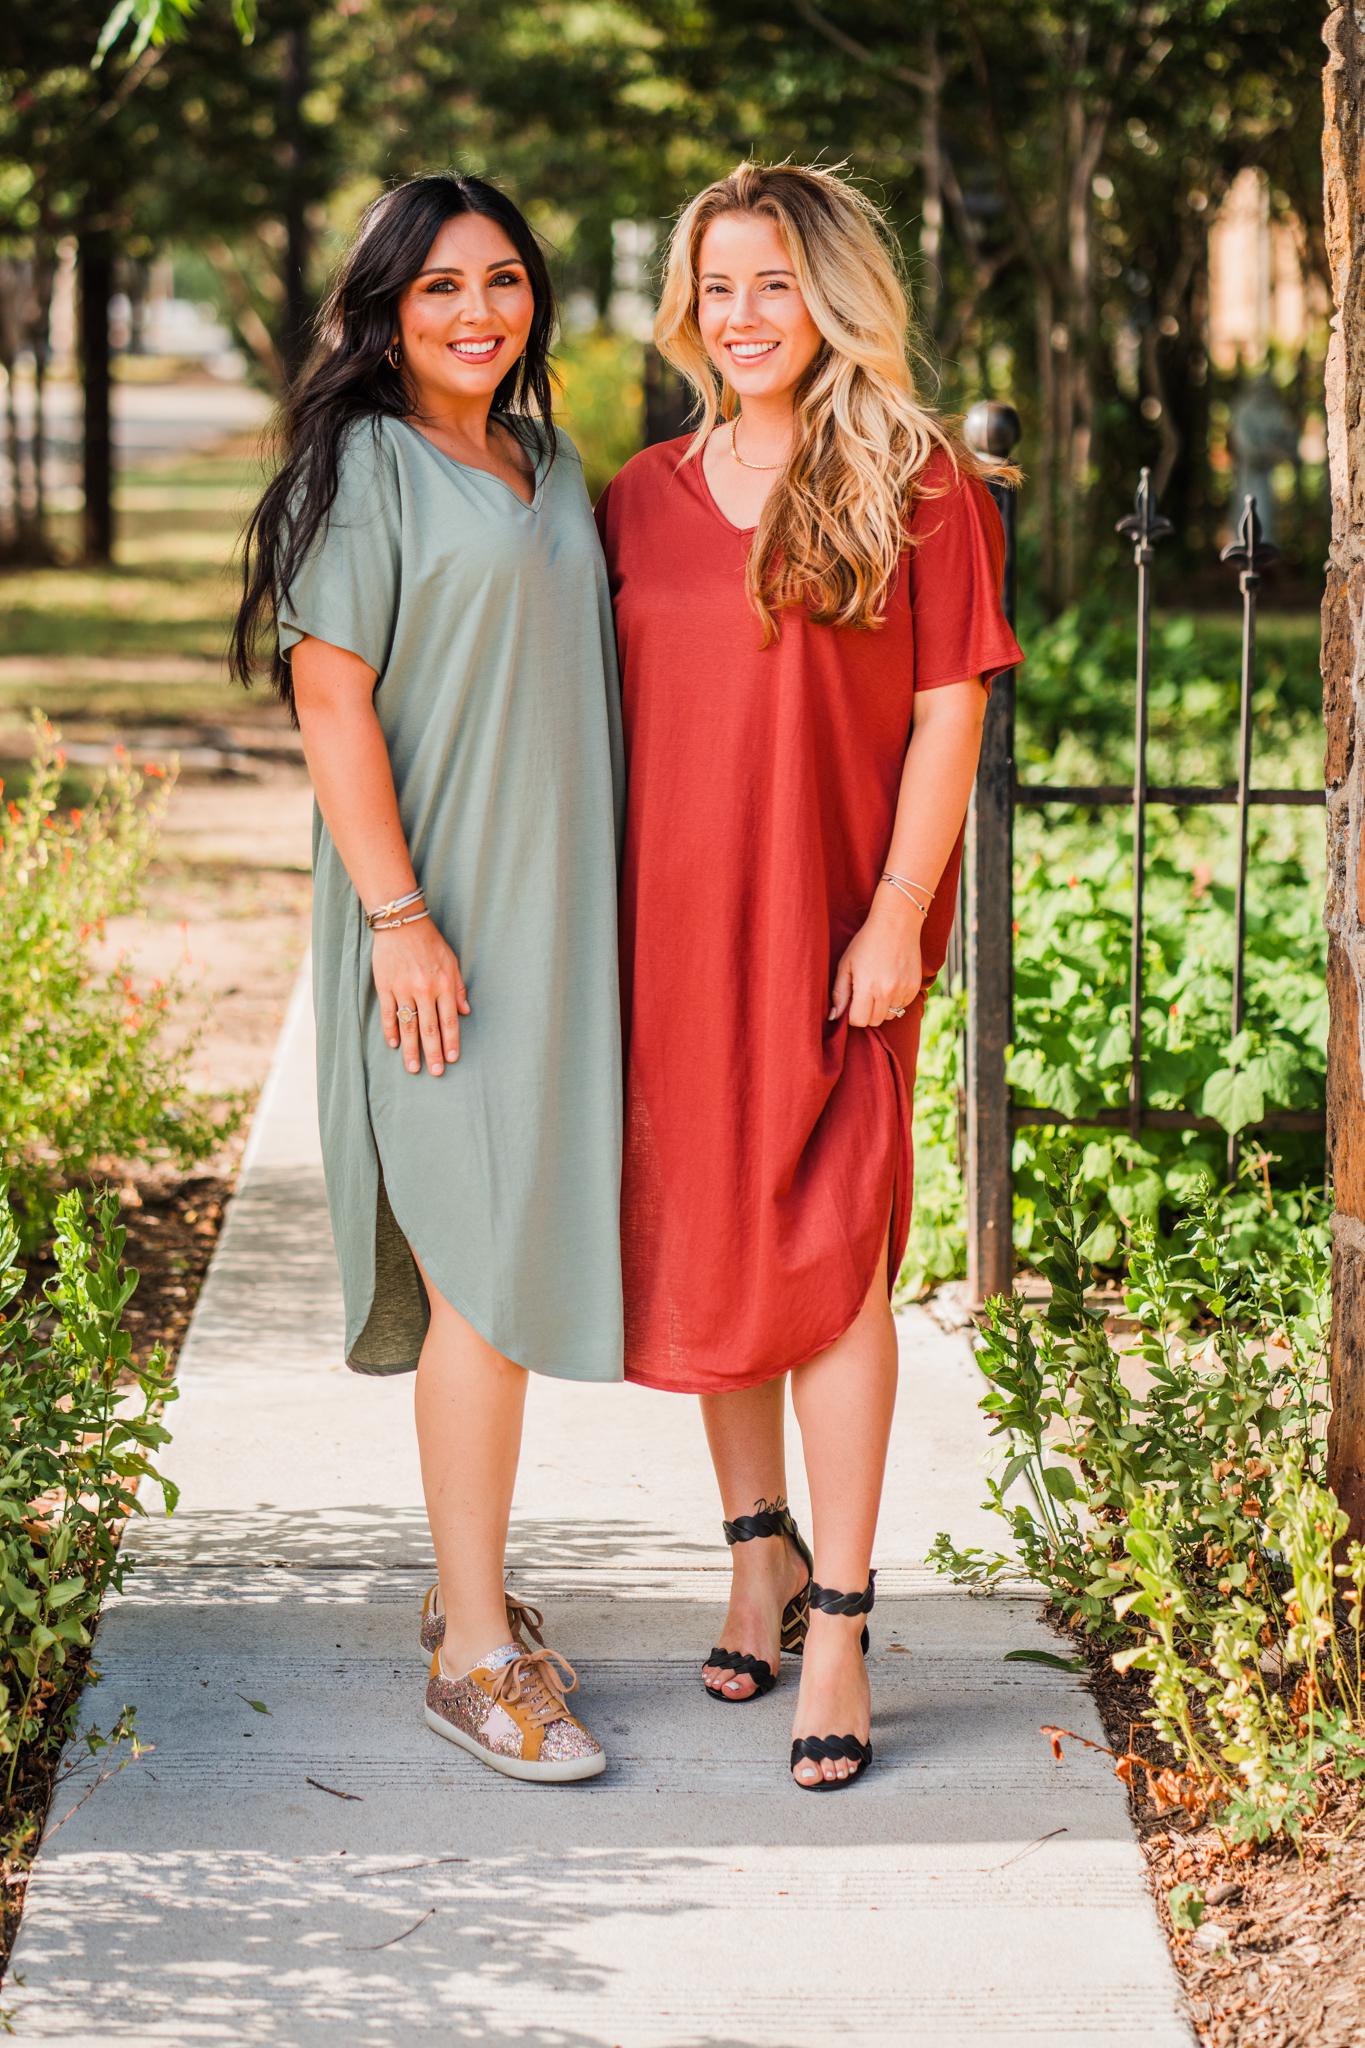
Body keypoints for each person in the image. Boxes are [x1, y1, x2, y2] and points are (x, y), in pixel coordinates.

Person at [595, 162, 1023, 1791]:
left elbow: (946, 713)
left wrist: (898, 911)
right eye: (718, 286)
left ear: (831, 294)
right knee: (718, 1259)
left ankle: (839, 1615)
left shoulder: (920, 487)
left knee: (834, 1259)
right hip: (672, 942)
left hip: (840, 932)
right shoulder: (636, 495)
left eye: (773, 282)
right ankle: (753, 1551)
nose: (743, 316)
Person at [230, 172, 624, 1784]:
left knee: (509, 1260)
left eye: (505, 281)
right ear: (387, 311)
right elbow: (334, 706)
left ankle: (473, 1592)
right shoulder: (364, 465)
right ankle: (471, 1653)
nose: (479, 312)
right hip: (433, 926)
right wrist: (398, 917)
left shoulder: (546, 459)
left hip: (559, 919)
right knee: (474, 1274)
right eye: (442, 287)